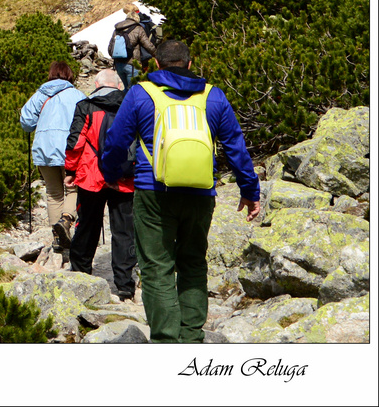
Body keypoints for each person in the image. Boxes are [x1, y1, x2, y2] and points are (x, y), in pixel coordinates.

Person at [100, 39, 261, 344]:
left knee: (156, 267)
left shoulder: (140, 93)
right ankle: (191, 338)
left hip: (153, 191)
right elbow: (236, 146)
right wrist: (249, 190)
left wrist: (110, 174)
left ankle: (166, 341)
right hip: (201, 192)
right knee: (193, 261)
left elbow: (116, 141)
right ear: (190, 64)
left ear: (157, 64)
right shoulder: (213, 96)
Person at [64, 69, 137, 301]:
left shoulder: (86, 106)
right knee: (124, 231)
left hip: (91, 176)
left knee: (87, 225)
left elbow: (75, 142)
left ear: (96, 84)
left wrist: (70, 170)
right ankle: (125, 285)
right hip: (124, 179)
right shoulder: (131, 105)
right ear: (119, 86)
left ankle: (81, 273)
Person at [19, 61, 86, 251]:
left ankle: (57, 237)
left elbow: (26, 122)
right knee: (73, 189)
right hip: (69, 150)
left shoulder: (39, 95)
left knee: (53, 192)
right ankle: (66, 220)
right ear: (69, 75)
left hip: (44, 148)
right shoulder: (77, 95)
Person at [109, 3, 157, 92]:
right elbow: (148, 45)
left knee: (127, 89)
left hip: (118, 64)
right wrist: (157, 55)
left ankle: (123, 105)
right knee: (135, 90)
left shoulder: (117, 29)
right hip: (132, 64)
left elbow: (110, 47)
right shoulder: (138, 28)